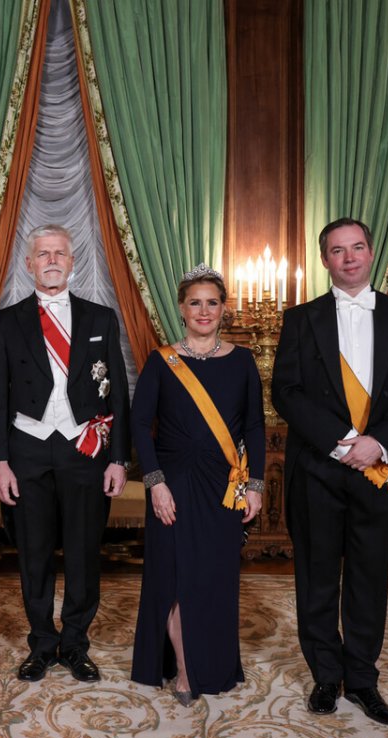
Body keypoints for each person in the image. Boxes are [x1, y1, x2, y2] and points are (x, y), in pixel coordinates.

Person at [272, 218, 388, 726]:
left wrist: (378, 443)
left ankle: (362, 680)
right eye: (337, 251)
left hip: (381, 467)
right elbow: (286, 391)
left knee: (368, 577)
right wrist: (345, 443)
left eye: (357, 248)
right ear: (325, 261)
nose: (348, 258)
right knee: (317, 575)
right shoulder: (301, 318)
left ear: (371, 252)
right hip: (320, 467)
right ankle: (325, 675)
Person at [0, 223, 130, 684]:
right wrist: (0, 462)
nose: (51, 260)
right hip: (27, 450)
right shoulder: (8, 320)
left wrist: (118, 459)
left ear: (73, 262)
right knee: (34, 554)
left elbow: (119, 396)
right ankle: (42, 644)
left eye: (60, 253)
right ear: (29, 264)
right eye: (42, 254)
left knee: (85, 553)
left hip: (84, 451)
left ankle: (75, 645)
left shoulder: (101, 317)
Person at [130, 265, 264, 706]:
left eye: (212, 302)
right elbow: (137, 424)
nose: (203, 311)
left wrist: (256, 485)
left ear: (223, 309)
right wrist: (155, 483)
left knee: (213, 579)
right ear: (181, 309)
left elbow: (256, 430)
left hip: (223, 486)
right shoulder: (161, 360)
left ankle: (217, 662)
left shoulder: (243, 361)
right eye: (194, 303)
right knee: (174, 578)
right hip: (174, 483)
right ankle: (186, 670)